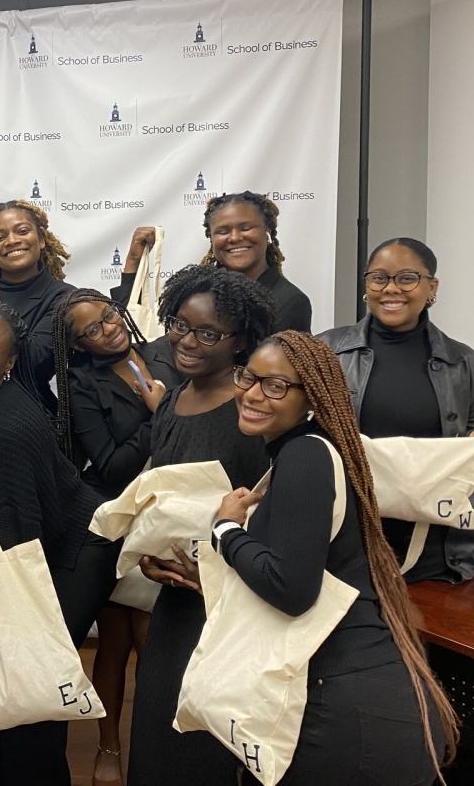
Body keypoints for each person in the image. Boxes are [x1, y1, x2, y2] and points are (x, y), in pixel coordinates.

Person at [223, 330, 458, 785]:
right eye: (248, 377)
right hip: (356, 701)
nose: (252, 393)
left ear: (310, 398)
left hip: (352, 716)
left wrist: (226, 531)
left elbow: (292, 590)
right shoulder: (309, 451)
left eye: (275, 385)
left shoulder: (305, 456)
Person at [0, 303, 118, 785]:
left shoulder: (12, 425)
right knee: (4, 698)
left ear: (10, 363)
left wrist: (9, 620)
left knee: (32, 697)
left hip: (74, 555)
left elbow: (21, 540)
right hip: (35, 547)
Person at [126, 265, 275, 786]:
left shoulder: (252, 409)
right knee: (155, 734)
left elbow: (273, 510)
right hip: (176, 601)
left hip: (232, 607)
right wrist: (150, 554)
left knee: (208, 751)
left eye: (208, 333)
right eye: (179, 325)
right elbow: (163, 500)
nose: (187, 342)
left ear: (241, 342)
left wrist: (220, 564)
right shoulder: (171, 401)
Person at [318, 238, 474, 583]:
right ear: (367, 284)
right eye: (379, 277)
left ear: (431, 287)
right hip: (345, 538)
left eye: (407, 278)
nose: (391, 289)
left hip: (437, 550)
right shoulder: (326, 351)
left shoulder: (465, 363)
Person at [51, 288, 180, 786]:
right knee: (113, 643)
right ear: (78, 347)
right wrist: (157, 415)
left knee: (156, 644)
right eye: (94, 329)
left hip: (170, 515)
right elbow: (109, 463)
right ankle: (109, 747)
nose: (110, 327)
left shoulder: (164, 354)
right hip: (117, 521)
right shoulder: (81, 386)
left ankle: (157, 749)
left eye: (109, 315)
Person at [115, 192, 311, 332]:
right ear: (211, 239)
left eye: (246, 228)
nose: (234, 238)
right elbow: (138, 329)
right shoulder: (200, 292)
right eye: (223, 231)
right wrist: (133, 262)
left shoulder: (290, 302)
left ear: (267, 231)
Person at [0, 200, 74, 412]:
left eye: (22, 231)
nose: (11, 241)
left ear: (41, 239)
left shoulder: (64, 297)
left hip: (30, 415)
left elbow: (34, 362)